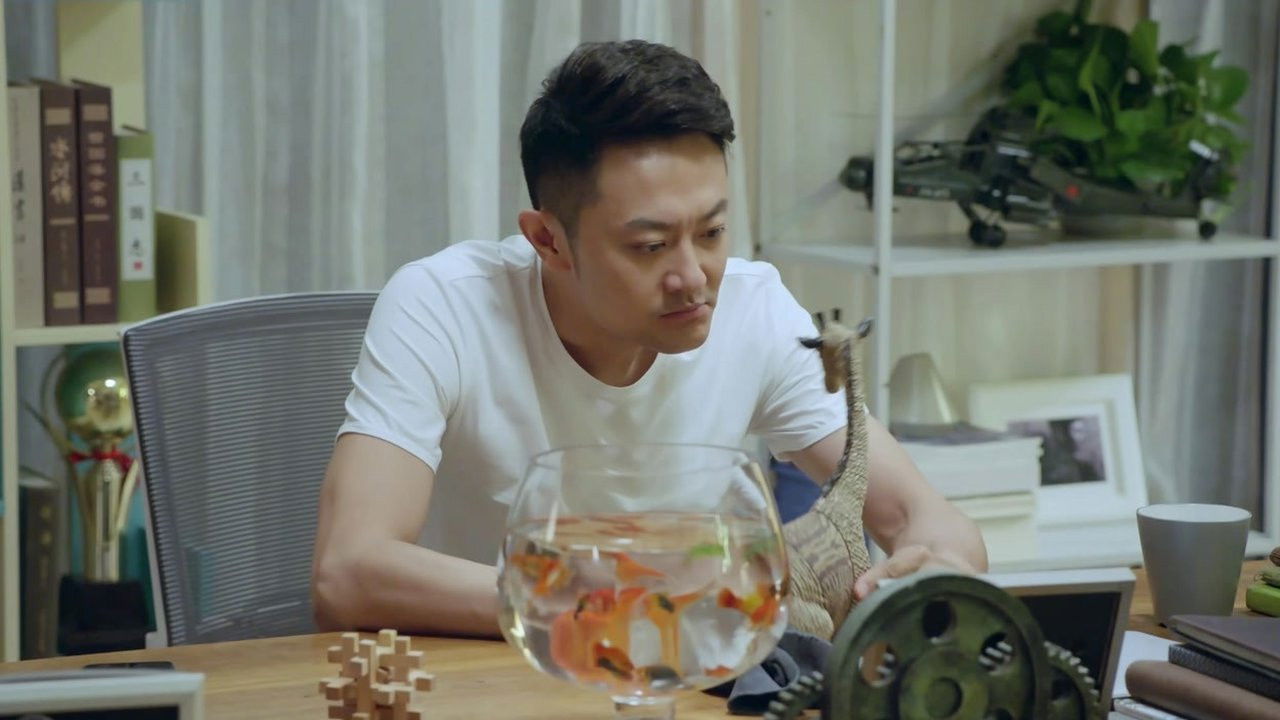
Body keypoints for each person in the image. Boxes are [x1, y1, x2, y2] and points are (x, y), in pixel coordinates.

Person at [311, 40, 987, 636]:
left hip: (676, 681)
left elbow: (927, 519)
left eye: (713, 232)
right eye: (651, 245)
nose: (693, 277)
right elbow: (347, 572)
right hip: (485, 681)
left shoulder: (753, 311)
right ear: (548, 240)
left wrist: (937, 568)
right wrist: (622, 601)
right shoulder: (445, 306)